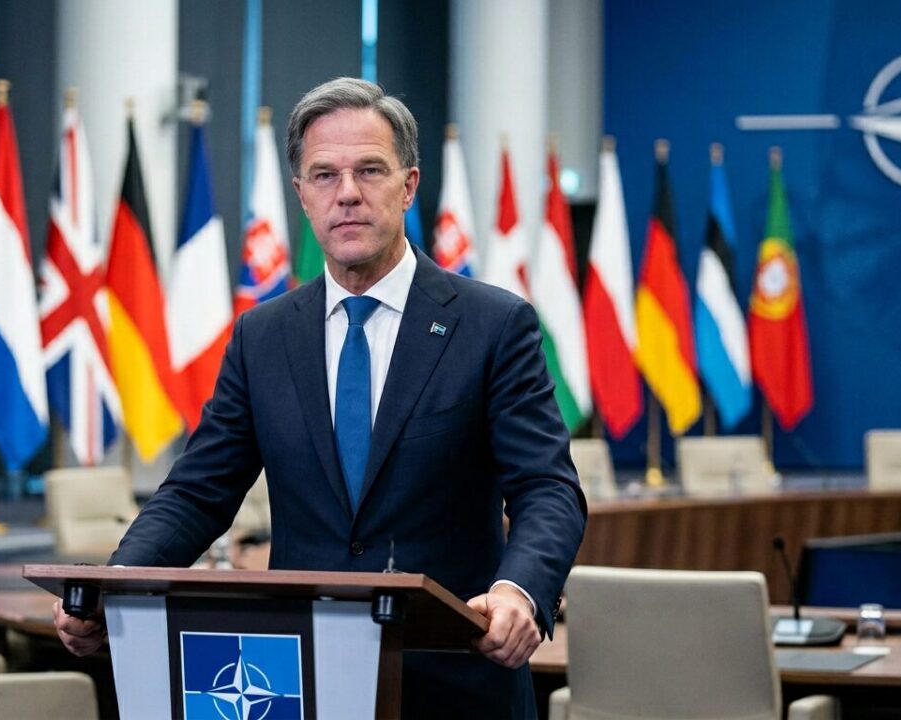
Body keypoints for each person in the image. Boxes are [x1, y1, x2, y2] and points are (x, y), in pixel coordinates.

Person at [54, 77, 586, 718]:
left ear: (408, 186)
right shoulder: (262, 336)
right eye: (325, 175)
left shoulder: (493, 325)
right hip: (295, 681)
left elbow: (547, 488)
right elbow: (198, 491)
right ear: (302, 195)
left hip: (455, 680)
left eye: (370, 170)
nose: (348, 193)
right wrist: (115, 584)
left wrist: (518, 592)